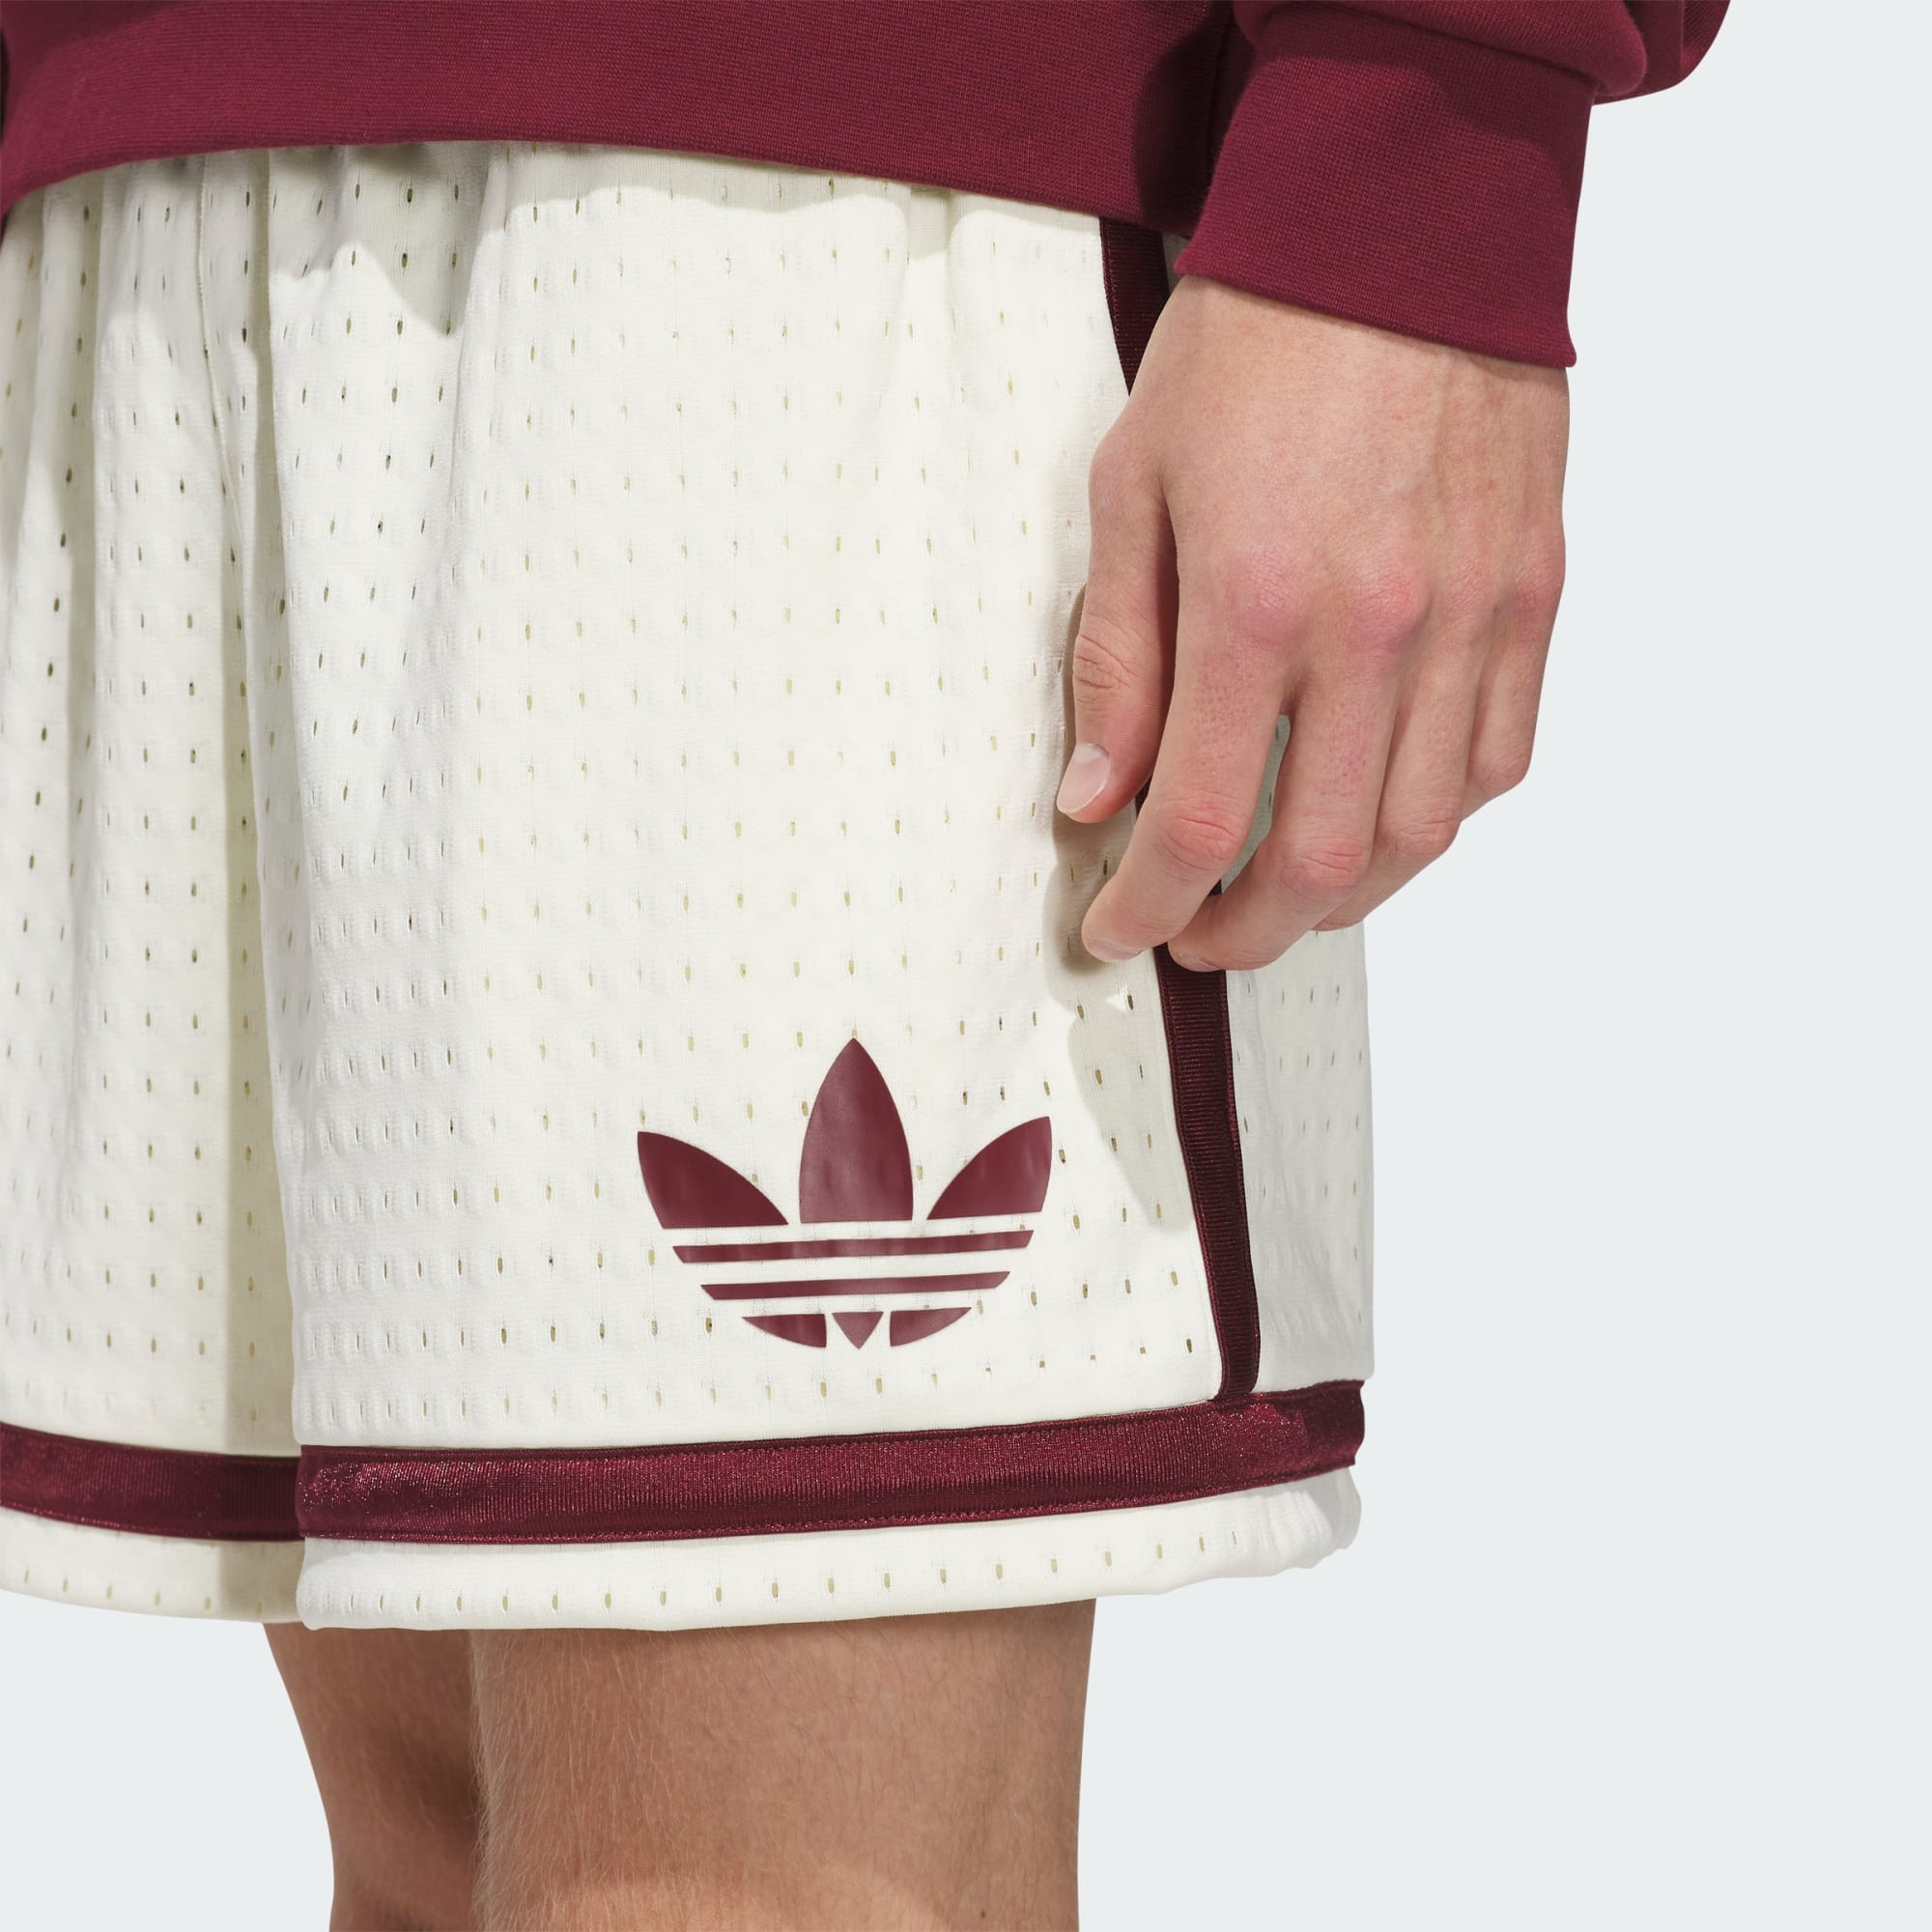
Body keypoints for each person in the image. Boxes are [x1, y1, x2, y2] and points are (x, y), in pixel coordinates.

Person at [0, 4, 1727, 1924]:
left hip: (809, 214)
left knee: (732, 1884)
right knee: (435, 1864)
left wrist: (1420, 142)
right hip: (127, 223)